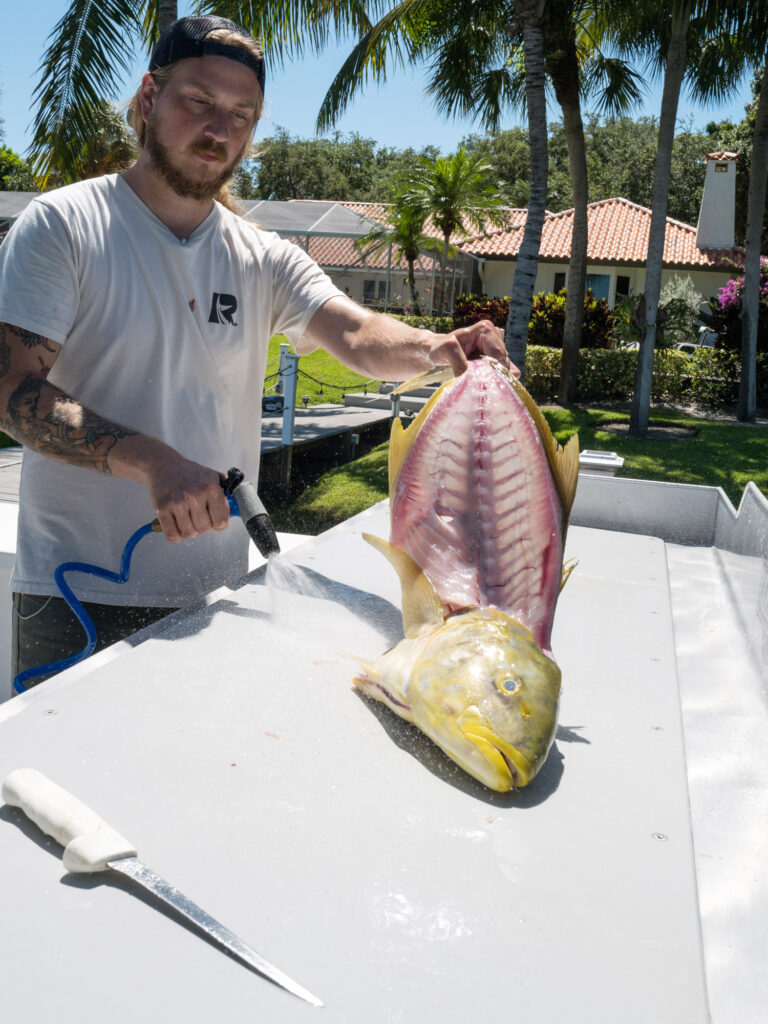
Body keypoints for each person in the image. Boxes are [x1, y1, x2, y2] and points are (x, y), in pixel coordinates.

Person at [0, 15, 512, 690]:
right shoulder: (65, 224)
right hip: (73, 595)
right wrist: (153, 461)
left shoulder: (262, 257)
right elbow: (12, 390)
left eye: (242, 115)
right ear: (149, 100)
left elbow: (354, 333)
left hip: (220, 595)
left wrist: (436, 346)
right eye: (199, 103)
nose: (220, 130)